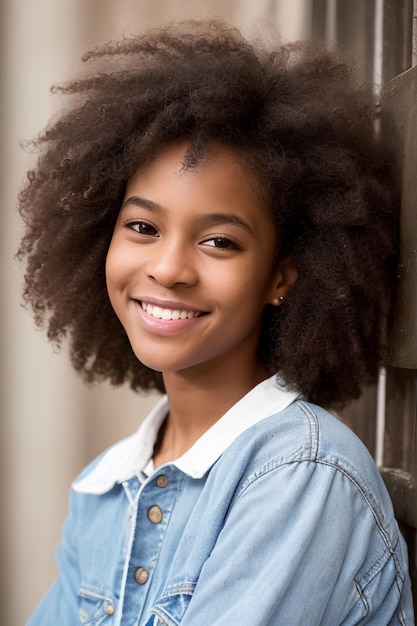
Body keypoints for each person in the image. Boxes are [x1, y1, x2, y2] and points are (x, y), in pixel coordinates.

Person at [18, 18, 414, 626]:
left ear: (283, 276)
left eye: (220, 241)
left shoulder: (304, 476)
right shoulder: (104, 488)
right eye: (143, 227)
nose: (170, 268)